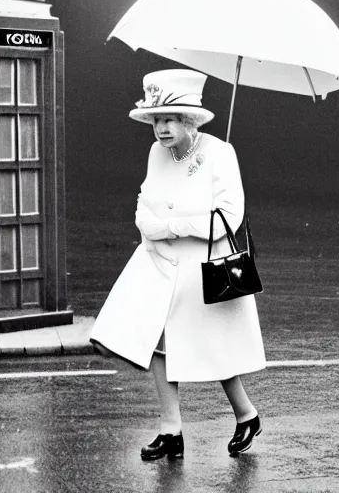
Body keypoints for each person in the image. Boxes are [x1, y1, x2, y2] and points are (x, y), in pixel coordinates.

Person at [90, 69, 266, 460]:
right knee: (157, 343)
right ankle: (171, 430)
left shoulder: (220, 152)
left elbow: (230, 216)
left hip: (201, 268)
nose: (161, 128)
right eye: (156, 119)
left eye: (170, 119)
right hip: (159, 266)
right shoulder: (157, 153)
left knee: (211, 347)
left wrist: (168, 226)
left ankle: (246, 414)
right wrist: (143, 220)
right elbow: (146, 195)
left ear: (190, 120)